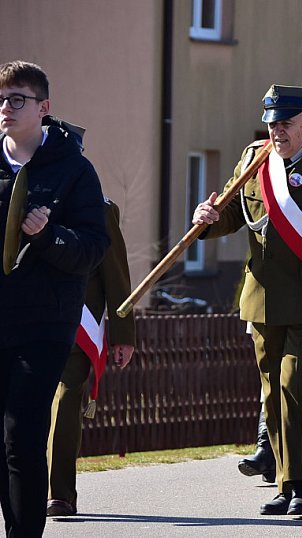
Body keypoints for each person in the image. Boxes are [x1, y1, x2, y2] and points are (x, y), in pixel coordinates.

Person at [193, 85, 302, 516]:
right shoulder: (255, 161)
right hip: (263, 298)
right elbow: (233, 214)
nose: (277, 132)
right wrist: (207, 220)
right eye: (272, 124)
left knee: (297, 386)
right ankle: (285, 484)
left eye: (286, 123)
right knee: (273, 393)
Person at [0, 60, 109, 536]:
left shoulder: (73, 169)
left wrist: (48, 236)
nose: (6, 108)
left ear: (43, 107)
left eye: (17, 99)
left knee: (22, 435)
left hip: (43, 324)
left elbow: (94, 248)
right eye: (1, 99)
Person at [46, 198, 135, 517]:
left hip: (77, 322)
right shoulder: (22, 199)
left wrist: (123, 334)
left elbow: (115, 273)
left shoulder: (98, 208)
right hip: (28, 317)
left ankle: (58, 494)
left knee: (66, 400)